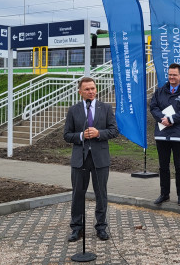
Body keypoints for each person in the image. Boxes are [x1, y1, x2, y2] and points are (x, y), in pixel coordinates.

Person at [63, 77, 119, 242]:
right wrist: (81, 135)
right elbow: (66, 135)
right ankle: (76, 228)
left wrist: (98, 134)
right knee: (77, 194)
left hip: (100, 158)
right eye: (87, 89)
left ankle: (101, 227)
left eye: (93, 88)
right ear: (80, 92)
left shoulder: (106, 108)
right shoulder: (73, 110)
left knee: (101, 194)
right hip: (80, 159)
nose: (91, 92)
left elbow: (114, 131)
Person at [149, 63, 180, 206]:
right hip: (162, 134)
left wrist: (171, 119)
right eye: (169, 75)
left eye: (174, 75)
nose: (171, 77)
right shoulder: (159, 91)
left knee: (179, 166)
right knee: (163, 166)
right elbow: (153, 107)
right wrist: (162, 117)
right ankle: (164, 194)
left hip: (178, 135)